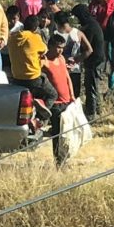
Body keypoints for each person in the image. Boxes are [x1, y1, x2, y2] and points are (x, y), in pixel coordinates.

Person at [7, 15, 57, 106]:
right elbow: (44, 49)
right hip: (33, 77)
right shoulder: (34, 37)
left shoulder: (11, 38)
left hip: (16, 78)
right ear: (35, 28)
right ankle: (40, 117)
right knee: (52, 95)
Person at [43, 35, 75, 165]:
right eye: (58, 47)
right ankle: (59, 161)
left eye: (62, 48)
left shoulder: (61, 58)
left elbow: (67, 78)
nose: (60, 50)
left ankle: (66, 158)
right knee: (57, 134)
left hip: (67, 101)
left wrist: (72, 95)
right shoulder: (44, 61)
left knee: (67, 133)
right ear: (50, 46)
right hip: (56, 104)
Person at [71, 4, 106, 122]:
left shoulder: (90, 27)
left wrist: (76, 58)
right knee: (93, 86)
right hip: (96, 59)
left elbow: (87, 47)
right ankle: (97, 110)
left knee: (91, 86)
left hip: (94, 61)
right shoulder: (91, 23)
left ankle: (91, 114)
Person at [54, 11, 93, 97]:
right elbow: (89, 50)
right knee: (74, 97)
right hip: (75, 69)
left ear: (57, 23)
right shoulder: (78, 33)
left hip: (60, 69)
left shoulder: (55, 34)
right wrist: (77, 59)